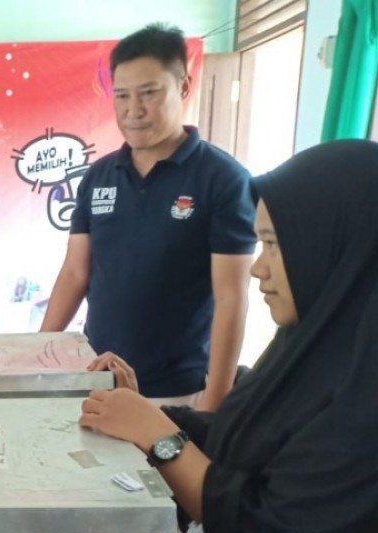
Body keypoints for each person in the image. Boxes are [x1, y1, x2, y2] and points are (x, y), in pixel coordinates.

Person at [79, 140, 378, 533]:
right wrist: (150, 414)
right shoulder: (314, 346)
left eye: (271, 245)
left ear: (335, 246)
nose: (258, 267)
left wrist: (163, 443)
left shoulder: (365, 396)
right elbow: (248, 443)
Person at [40, 23, 255, 412]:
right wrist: (36, 355)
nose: (133, 110)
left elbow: (232, 297)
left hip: (177, 391)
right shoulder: (98, 176)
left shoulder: (224, 180)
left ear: (184, 87)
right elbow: (75, 273)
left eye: (149, 93)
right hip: (98, 378)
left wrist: (214, 401)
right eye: (121, 95)